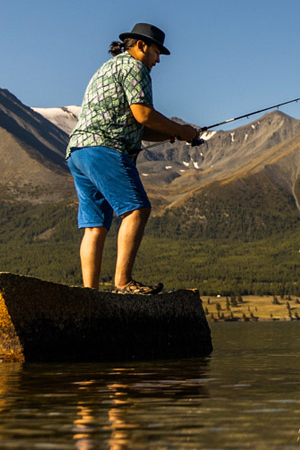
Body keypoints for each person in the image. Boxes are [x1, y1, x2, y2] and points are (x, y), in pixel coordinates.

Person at [66, 23, 200, 294]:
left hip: (80, 151)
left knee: (94, 226)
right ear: (141, 46)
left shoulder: (107, 68)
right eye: (157, 52)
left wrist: (173, 135)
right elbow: (143, 114)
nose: (158, 59)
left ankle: (89, 293)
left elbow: (140, 126)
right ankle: (123, 282)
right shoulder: (135, 68)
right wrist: (182, 129)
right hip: (106, 148)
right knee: (137, 209)